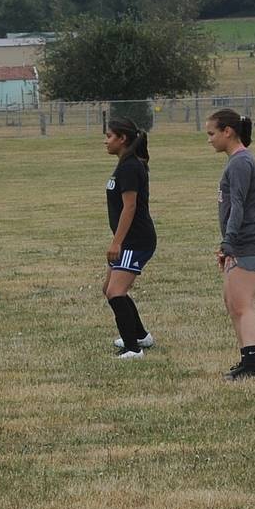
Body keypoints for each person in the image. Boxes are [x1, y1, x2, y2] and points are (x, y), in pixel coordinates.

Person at [208, 109, 255, 380]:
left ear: (228, 132)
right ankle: (246, 361)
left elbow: (237, 206)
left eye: (212, 133)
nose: (209, 140)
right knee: (233, 302)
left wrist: (229, 243)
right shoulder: (240, 161)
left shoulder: (239, 162)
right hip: (243, 242)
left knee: (242, 304)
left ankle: (252, 366)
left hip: (249, 242)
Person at [102, 118, 156, 359]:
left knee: (115, 291)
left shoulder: (130, 167)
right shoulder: (125, 164)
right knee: (110, 289)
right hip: (128, 240)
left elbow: (130, 207)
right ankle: (141, 335)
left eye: (109, 136)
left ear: (122, 139)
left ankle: (133, 348)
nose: (106, 141)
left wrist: (117, 242)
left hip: (136, 240)